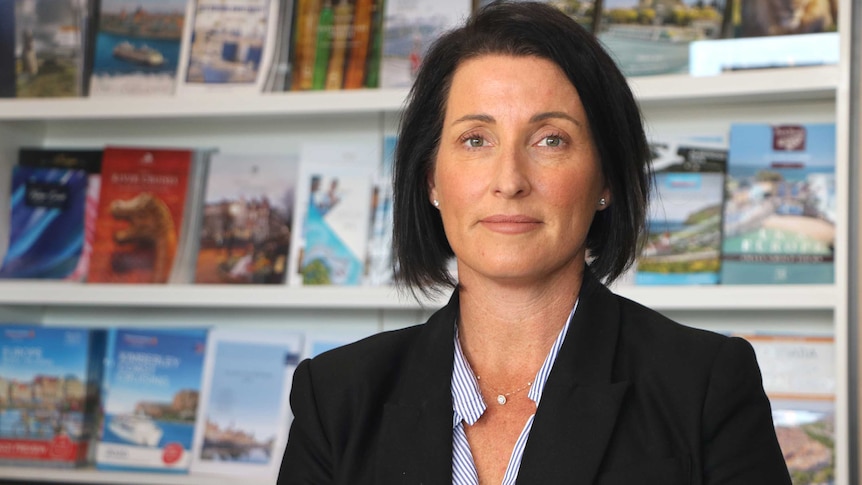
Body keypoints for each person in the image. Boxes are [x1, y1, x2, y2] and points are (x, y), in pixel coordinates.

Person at [278, 2, 792, 484]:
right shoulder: (335, 396)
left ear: (606, 178)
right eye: (475, 139)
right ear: (431, 179)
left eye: (550, 139)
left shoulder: (704, 386)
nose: (509, 180)